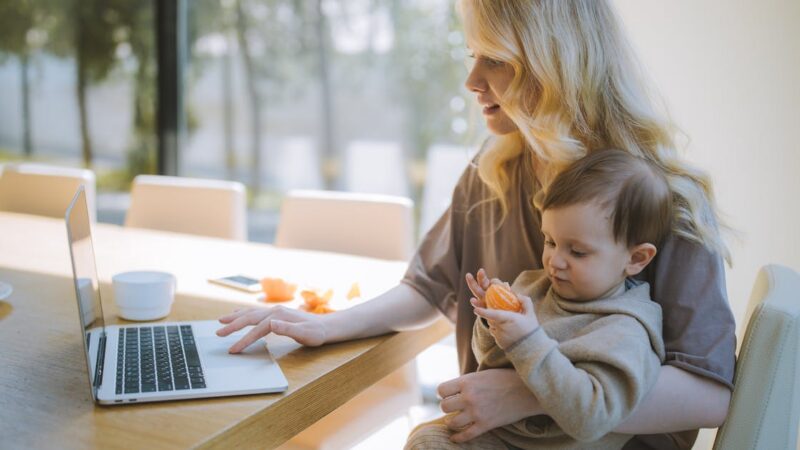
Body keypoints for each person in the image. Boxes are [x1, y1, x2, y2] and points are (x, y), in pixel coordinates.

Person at [216, 1, 736, 448]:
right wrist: (328, 325)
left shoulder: (662, 198)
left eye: (497, 60)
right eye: (473, 56)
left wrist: (529, 394)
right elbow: (429, 287)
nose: (471, 82)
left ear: (555, 63)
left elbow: (709, 394)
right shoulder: (493, 170)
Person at [406, 149, 672, 449]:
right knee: (426, 439)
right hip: (504, 435)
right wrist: (493, 323)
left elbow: (591, 418)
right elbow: (489, 361)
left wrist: (527, 340)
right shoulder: (534, 287)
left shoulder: (626, 331)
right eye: (550, 241)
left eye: (577, 252)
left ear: (636, 258)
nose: (555, 261)